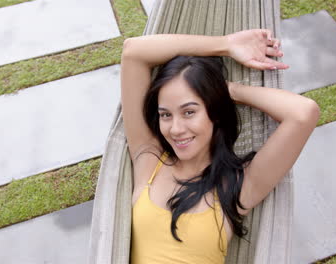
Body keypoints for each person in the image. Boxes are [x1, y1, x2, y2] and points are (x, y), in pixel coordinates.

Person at [120, 29, 320, 263]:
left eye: (189, 112)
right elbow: (133, 52)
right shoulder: (150, 159)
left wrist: (226, 91)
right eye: (166, 115)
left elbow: (303, 113)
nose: (175, 129)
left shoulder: (237, 186)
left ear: (214, 112)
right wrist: (225, 44)